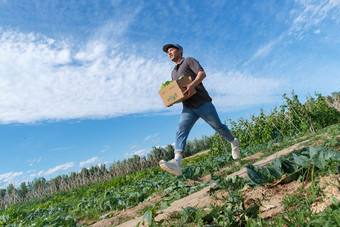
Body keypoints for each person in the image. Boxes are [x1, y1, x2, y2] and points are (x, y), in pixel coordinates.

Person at [159, 43, 240, 176]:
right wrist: (171, 100)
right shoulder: (173, 73)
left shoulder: (189, 61)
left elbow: (202, 74)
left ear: (180, 50)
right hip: (188, 107)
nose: (169, 53)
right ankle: (177, 163)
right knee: (181, 129)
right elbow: (179, 91)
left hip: (202, 102)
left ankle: (233, 141)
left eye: (171, 49)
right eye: (167, 51)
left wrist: (192, 85)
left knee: (219, 127)